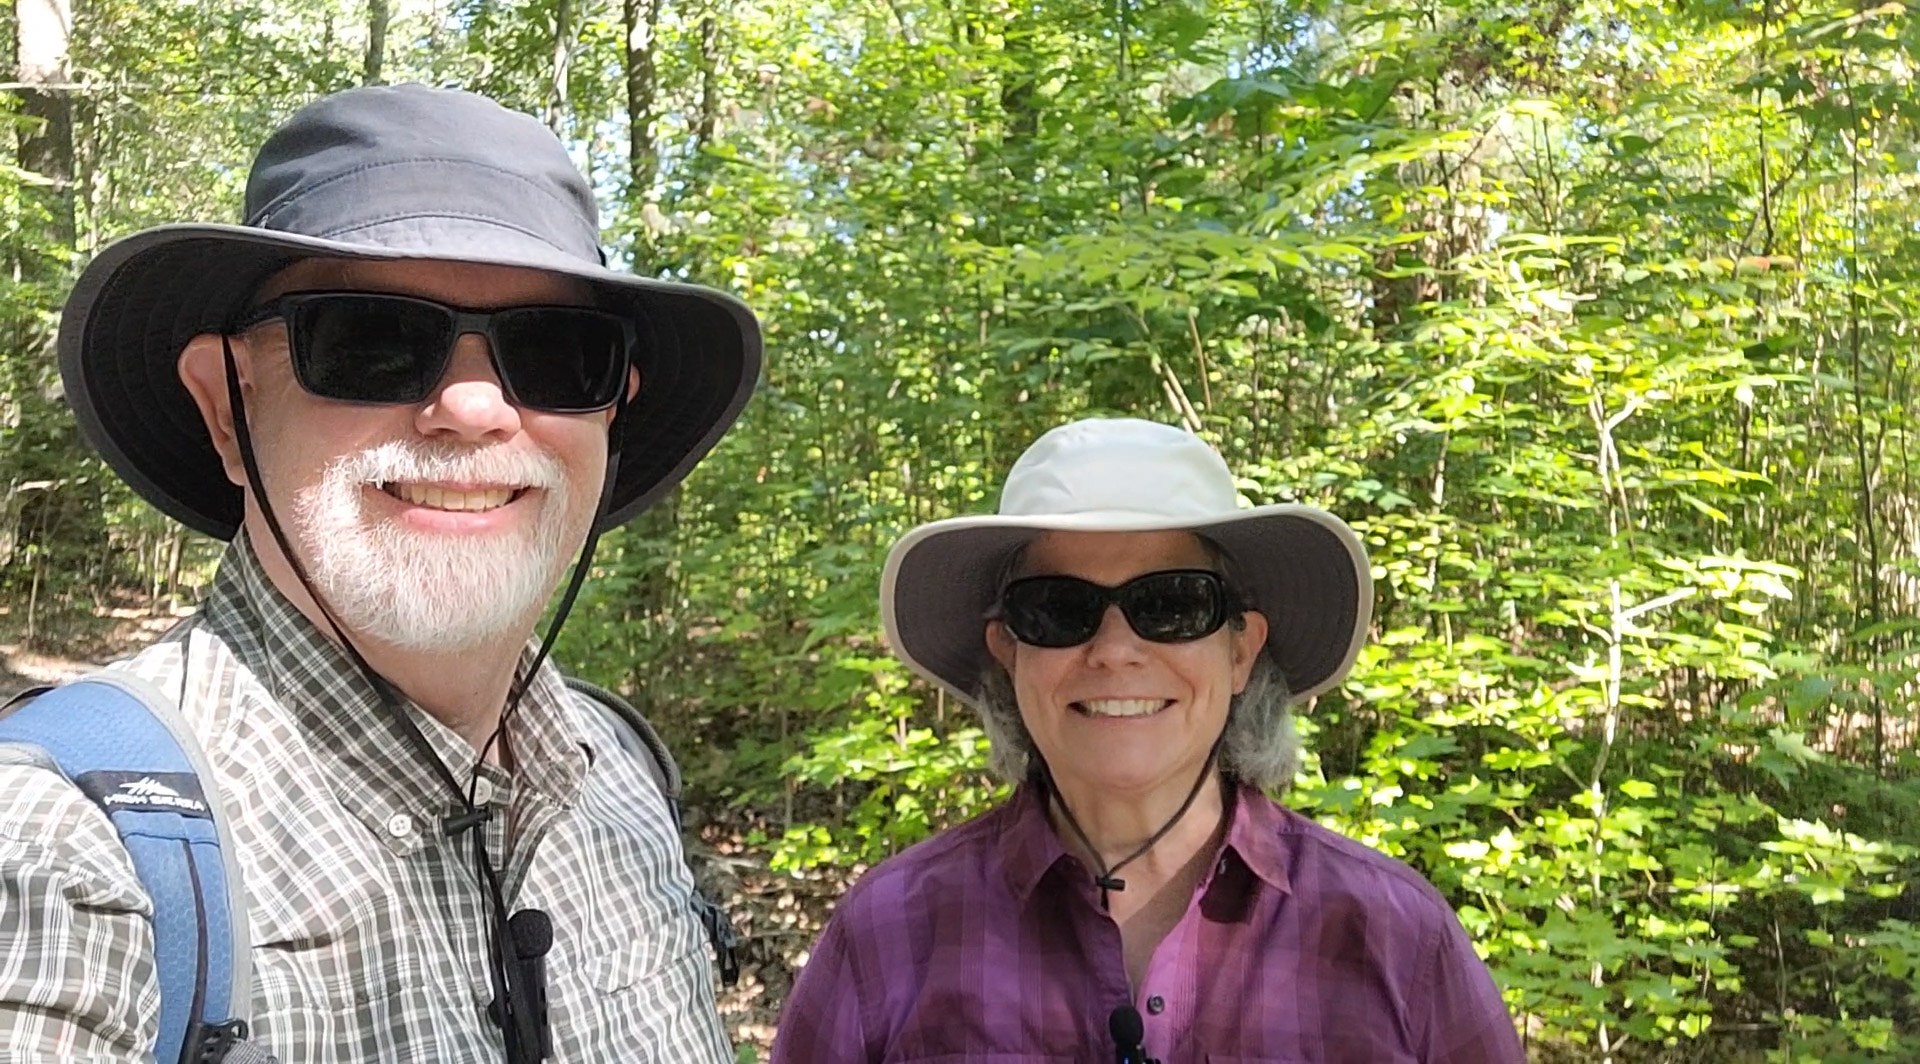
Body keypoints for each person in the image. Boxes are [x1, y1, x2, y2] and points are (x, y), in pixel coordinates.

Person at [0, 84, 758, 1062]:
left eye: (560, 355)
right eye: (371, 340)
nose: (476, 407)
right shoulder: (60, 845)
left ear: (610, 419)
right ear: (227, 410)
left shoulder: (623, 769)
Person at [773, 417, 1526, 1063]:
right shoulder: (889, 934)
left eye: (1170, 604)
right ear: (1009, 653)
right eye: (1059, 609)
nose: (1114, 650)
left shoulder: (1394, 938)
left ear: (1239, 651)